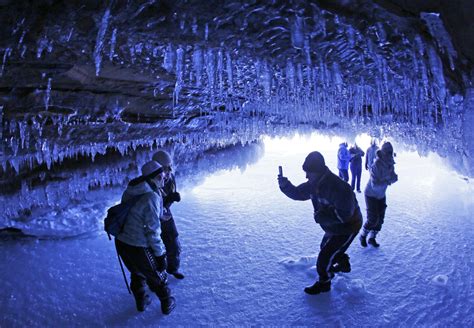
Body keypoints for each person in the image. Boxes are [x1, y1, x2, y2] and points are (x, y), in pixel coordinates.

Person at [278, 151, 362, 295]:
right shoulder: (313, 184)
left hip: (348, 227)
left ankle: (324, 283)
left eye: (309, 172)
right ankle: (343, 262)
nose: (306, 176)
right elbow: (298, 193)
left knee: (324, 257)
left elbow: (344, 215)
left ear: (318, 171)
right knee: (325, 247)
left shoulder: (339, 188)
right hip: (333, 226)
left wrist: (321, 217)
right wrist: (285, 185)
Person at [115, 160, 176, 314]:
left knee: (136, 272)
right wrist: (161, 254)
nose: (165, 179)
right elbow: (153, 231)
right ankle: (167, 302)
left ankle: (141, 300)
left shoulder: (132, 189)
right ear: (152, 178)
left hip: (122, 242)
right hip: (138, 245)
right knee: (156, 274)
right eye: (161, 176)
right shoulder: (151, 197)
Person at [152, 150, 184, 280]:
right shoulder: (151, 182)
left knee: (174, 243)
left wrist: (170, 200)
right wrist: (168, 200)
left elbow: (164, 204)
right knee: (154, 249)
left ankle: (172, 268)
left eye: (170, 165)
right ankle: (157, 275)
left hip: (165, 215)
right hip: (151, 218)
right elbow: (153, 205)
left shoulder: (170, 178)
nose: (169, 169)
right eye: (165, 167)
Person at [360, 142, 398, 248]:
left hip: (381, 195)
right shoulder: (376, 165)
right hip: (370, 194)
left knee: (380, 219)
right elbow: (374, 185)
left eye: (391, 152)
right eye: (388, 152)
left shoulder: (390, 163)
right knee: (373, 219)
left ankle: (372, 238)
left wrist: (392, 178)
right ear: (383, 152)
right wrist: (387, 181)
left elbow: (394, 177)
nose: (389, 155)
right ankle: (363, 236)